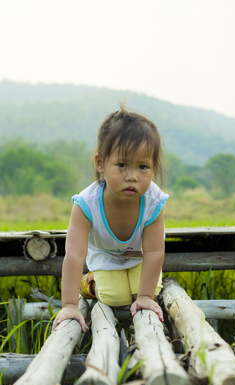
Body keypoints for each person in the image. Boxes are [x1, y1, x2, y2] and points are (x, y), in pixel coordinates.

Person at [52, 107, 168, 332]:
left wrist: (144, 296)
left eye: (142, 167)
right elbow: (75, 255)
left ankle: (141, 290)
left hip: (141, 258)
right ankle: (90, 283)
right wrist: (69, 305)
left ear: (153, 169)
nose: (132, 176)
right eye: (122, 165)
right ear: (100, 163)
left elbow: (154, 251)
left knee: (147, 292)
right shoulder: (86, 204)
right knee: (115, 297)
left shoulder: (154, 202)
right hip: (105, 257)